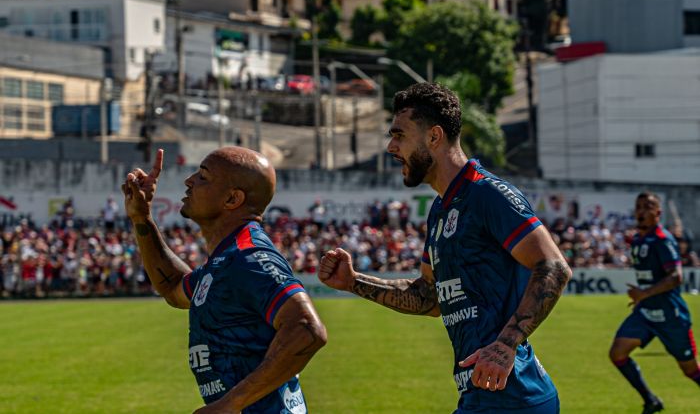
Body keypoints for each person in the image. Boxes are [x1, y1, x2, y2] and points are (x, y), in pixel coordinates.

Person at [319, 83, 572, 413]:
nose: (391, 147)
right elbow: (429, 297)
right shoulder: (440, 210)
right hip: (482, 394)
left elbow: (553, 266)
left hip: (512, 397)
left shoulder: (487, 194)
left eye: (399, 135)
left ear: (434, 137)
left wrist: (506, 344)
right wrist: (353, 282)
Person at [122, 147, 327, 414]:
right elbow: (173, 287)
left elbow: (307, 330)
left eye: (204, 176)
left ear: (232, 198)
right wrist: (142, 217)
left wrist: (230, 405)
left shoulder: (249, 256)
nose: (189, 180)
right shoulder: (226, 260)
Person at [609, 192, 700, 414]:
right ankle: (651, 400)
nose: (642, 210)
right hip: (646, 313)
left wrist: (644, 293)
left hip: (671, 315)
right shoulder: (639, 239)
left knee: (690, 371)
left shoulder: (662, 239)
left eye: (648, 206)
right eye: (639, 206)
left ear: (658, 213)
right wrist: (643, 298)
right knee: (617, 353)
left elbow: (676, 277)